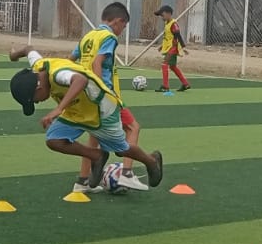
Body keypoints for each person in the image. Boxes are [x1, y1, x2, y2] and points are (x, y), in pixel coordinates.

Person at [9, 45, 164, 191]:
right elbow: (29, 49)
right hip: (76, 112)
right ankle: (96, 156)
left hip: (101, 110)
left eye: (34, 100)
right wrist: (14, 55)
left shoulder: (58, 75)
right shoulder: (37, 67)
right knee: (54, 140)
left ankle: (151, 161)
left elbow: (80, 80)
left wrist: (58, 109)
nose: (37, 102)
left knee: (121, 150)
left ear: (38, 87)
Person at [72, 2, 146, 192]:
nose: (122, 31)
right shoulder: (109, 37)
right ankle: (127, 174)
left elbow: (70, 61)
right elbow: (97, 63)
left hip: (87, 95)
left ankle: (81, 182)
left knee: (94, 137)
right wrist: (101, 90)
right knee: (133, 127)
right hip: (105, 98)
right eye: (124, 26)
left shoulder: (88, 37)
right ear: (118, 21)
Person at [154, 5, 191, 92]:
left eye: (162, 15)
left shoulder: (173, 24)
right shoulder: (167, 23)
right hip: (169, 47)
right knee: (173, 66)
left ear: (169, 14)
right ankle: (185, 84)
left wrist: (183, 47)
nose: (162, 17)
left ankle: (165, 86)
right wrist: (162, 46)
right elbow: (168, 37)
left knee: (164, 64)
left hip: (173, 48)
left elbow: (178, 36)